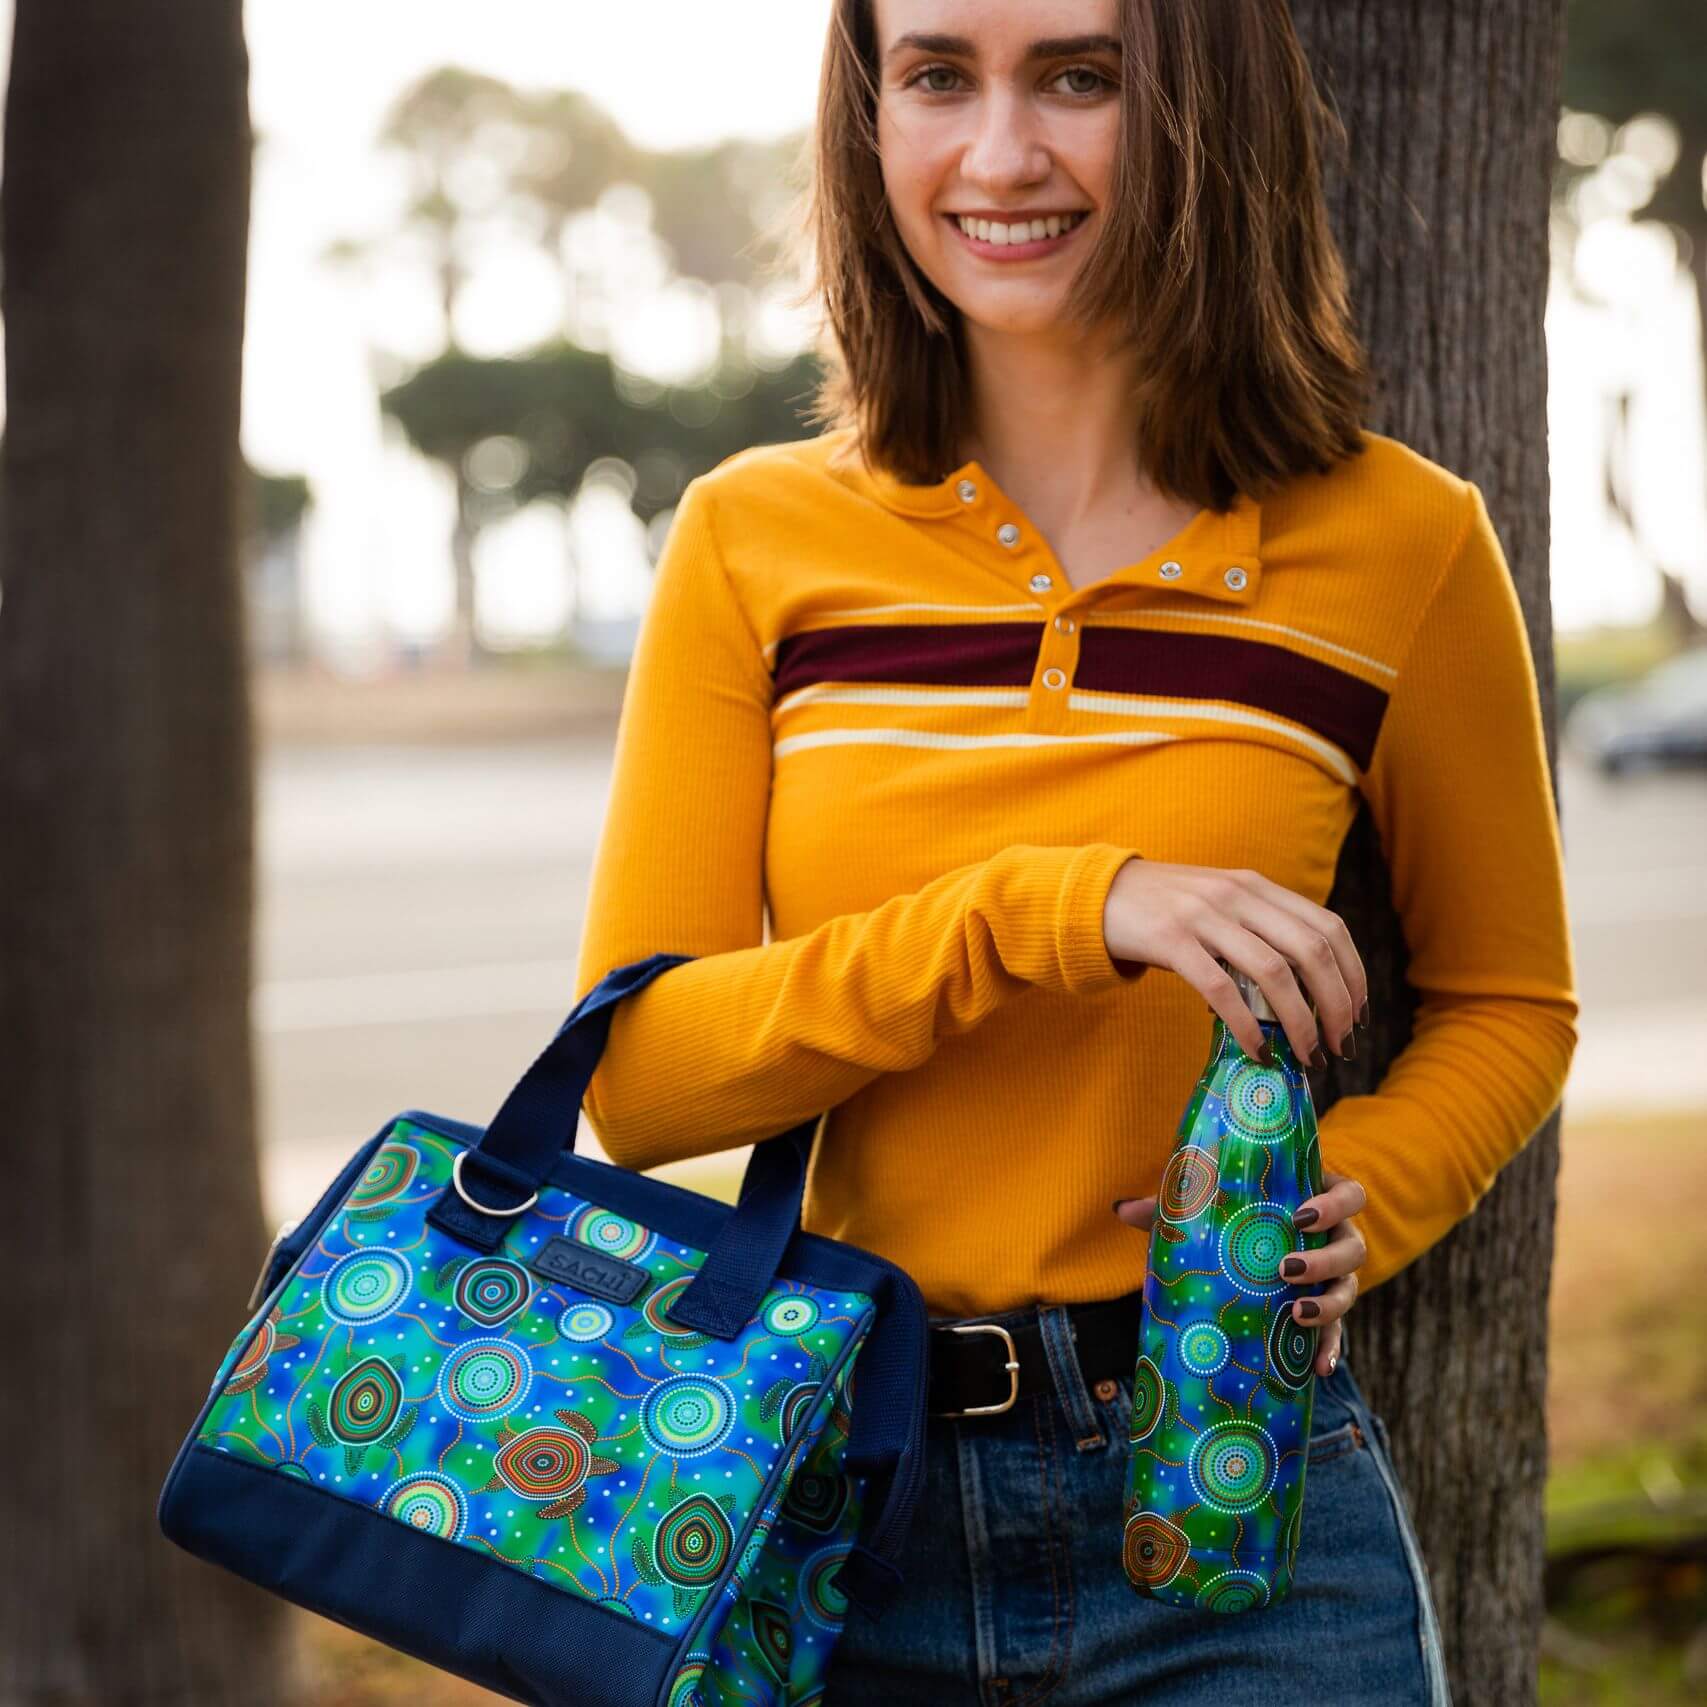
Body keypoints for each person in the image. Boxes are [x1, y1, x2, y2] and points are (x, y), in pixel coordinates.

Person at [572, 1, 1577, 1702]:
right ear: (868, 116)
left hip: (1237, 1503)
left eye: (1083, 77)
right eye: (938, 75)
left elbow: (1512, 1003)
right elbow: (646, 1076)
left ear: (1204, 114)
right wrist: (1052, 909)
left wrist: (1365, 1198)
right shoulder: (754, 539)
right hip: (830, 1508)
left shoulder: (1403, 540)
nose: (1002, 154)